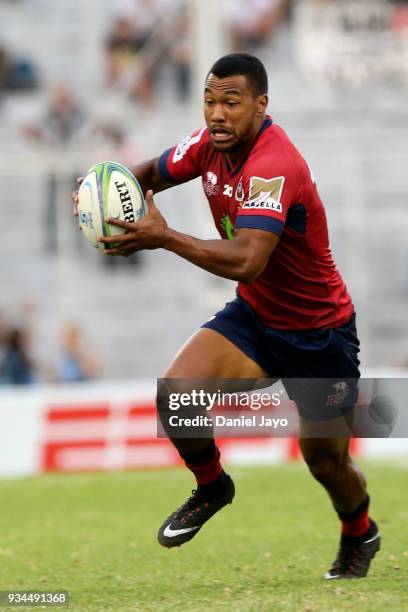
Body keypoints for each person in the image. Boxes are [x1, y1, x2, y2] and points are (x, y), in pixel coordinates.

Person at [72, 53, 380, 579]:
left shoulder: (274, 165)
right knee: (176, 393)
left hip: (319, 333)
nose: (217, 113)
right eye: (210, 101)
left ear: (261, 105)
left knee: (326, 462)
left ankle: (360, 534)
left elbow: (248, 260)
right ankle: (213, 485)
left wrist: (162, 236)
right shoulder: (206, 145)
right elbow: (144, 174)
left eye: (231, 102)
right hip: (257, 318)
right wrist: (99, 195)